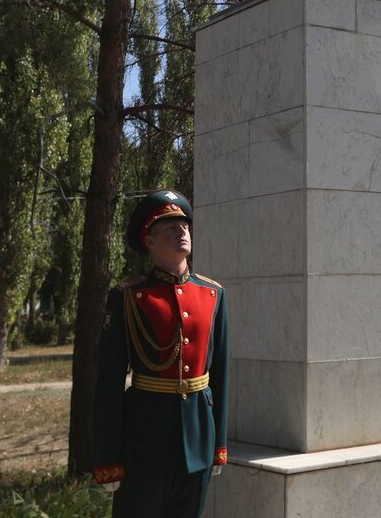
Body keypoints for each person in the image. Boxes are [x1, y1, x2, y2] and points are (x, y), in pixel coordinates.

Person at [93, 190, 229, 518]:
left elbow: (221, 375)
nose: (181, 231)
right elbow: (108, 383)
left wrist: (218, 446)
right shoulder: (129, 297)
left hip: (197, 442)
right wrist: (109, 460)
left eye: (184, 225)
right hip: (145, 444)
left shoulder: (212, 294)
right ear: (149, 241)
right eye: (169, 227)